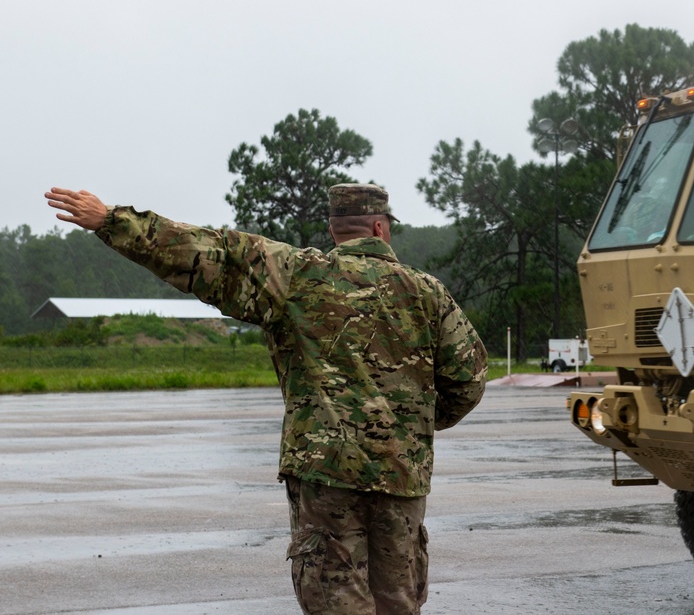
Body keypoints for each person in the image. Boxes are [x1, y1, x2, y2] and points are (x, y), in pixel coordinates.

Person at [44, 184, 488, 615]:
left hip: (324, 473)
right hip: (401, 476)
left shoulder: (294, 274)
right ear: (380, 228)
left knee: (336, 599)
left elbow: (203, 250)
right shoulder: (428, 293)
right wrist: (410, 427)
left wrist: (110, 221)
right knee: (398, 601)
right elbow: (469, 379)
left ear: (334, 231)